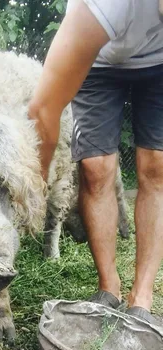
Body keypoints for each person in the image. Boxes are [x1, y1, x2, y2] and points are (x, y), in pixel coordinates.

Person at [28, 0, 163, 324]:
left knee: (157, 166)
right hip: (97, 62)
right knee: (95, 168)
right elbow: (43, 109)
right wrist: (36, 189)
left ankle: (142, 297)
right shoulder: (104, 5)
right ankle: (109, 287)